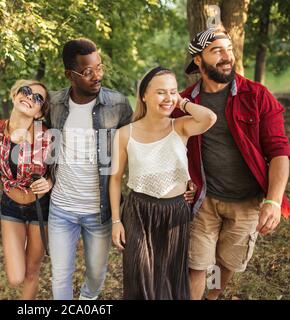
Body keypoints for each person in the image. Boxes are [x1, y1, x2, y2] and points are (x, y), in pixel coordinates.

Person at [46, 39, 196, 300]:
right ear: (70, 74)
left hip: (99, 210)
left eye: (100, 67)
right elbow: (33, 133)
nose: (97, 76)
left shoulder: (117, 104)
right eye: (88, 71)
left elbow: (145, 139)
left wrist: (180, 178)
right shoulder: (55, 103)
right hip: (61, 207)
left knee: (96, 274)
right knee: (60, 274)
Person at [175, 26, 290, 300]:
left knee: (226, 262)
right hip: (204, 200)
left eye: (229, 49)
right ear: (199, 60)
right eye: (217, 50)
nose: (227, 56)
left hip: (246, 201)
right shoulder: (186, 101)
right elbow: (169, 147)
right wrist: (181, 180)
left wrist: (273, 201)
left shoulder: (257, 96)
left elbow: (279, 152)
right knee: (197, 265)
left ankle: (212, 297)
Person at [110, 66, 217, 299]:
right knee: (140, 276)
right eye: (161, 92)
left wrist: (182, 103)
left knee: (168, 280)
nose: (168, 97)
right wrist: (116, 221)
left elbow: (210, 117)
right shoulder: (125, 134)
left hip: (176, 212)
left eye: (173, 91)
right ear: (144, 95)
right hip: (139, 211)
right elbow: (115, 179)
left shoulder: (180, 126)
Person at [0, 79, 53, 299]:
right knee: (15, 277)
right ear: (14, 95)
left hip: (40, 208)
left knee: (31, 272)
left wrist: (48, 183)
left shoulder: (47, 135)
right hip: (11, 206)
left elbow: (56, 173)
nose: (30, 97)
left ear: (40, 112)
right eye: (26, 91)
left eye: (38, 98)